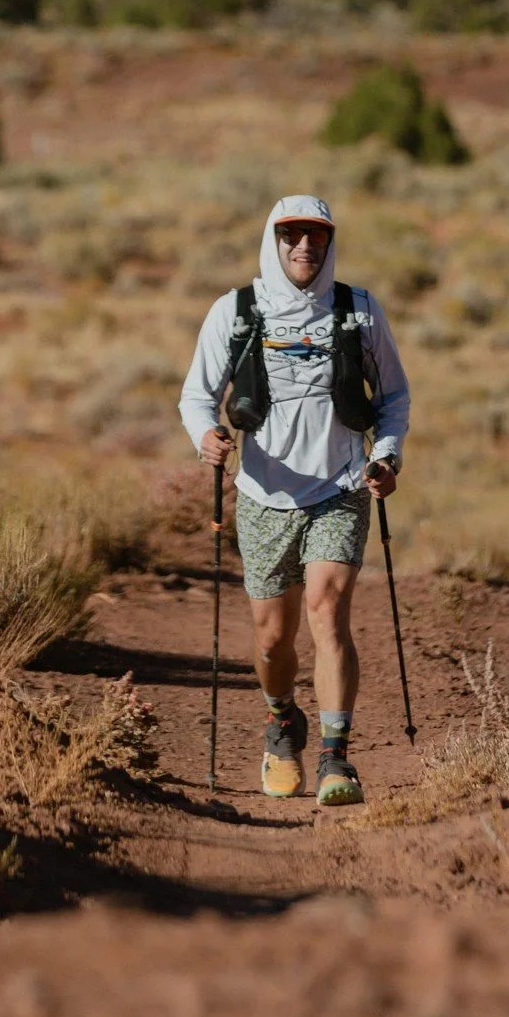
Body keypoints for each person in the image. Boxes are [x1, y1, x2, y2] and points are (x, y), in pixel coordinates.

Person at [179, 193, 410, 808]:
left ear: (330, 243)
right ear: (274, 241)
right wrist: (205, 435)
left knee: (327, 612)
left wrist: (385, 456)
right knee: (271, 640)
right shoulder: (236, 311)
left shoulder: (358, 310)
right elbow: (197, 396)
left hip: (340, 486)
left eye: (316, 236)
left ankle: (336, 756)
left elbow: (394, 398)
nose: (304, 246)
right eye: (292, 236)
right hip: (261, 493)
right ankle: (283, 722)